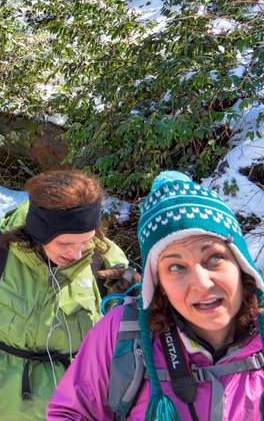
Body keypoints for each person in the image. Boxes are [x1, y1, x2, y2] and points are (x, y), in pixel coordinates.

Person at [47, 171, 264, 420]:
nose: (202, 284)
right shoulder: (121, 333)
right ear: (158, 282)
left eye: (214, 258)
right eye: (176, 267)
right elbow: (71, 412)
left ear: (240, 262)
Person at [0, 170, 129, 420]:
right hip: (2, 410)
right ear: (40, 232)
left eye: (85, 241)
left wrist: (142, 297)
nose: (78, 253)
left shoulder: (105, 260)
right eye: (65, 244)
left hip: (79, 410)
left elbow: (134, 338)